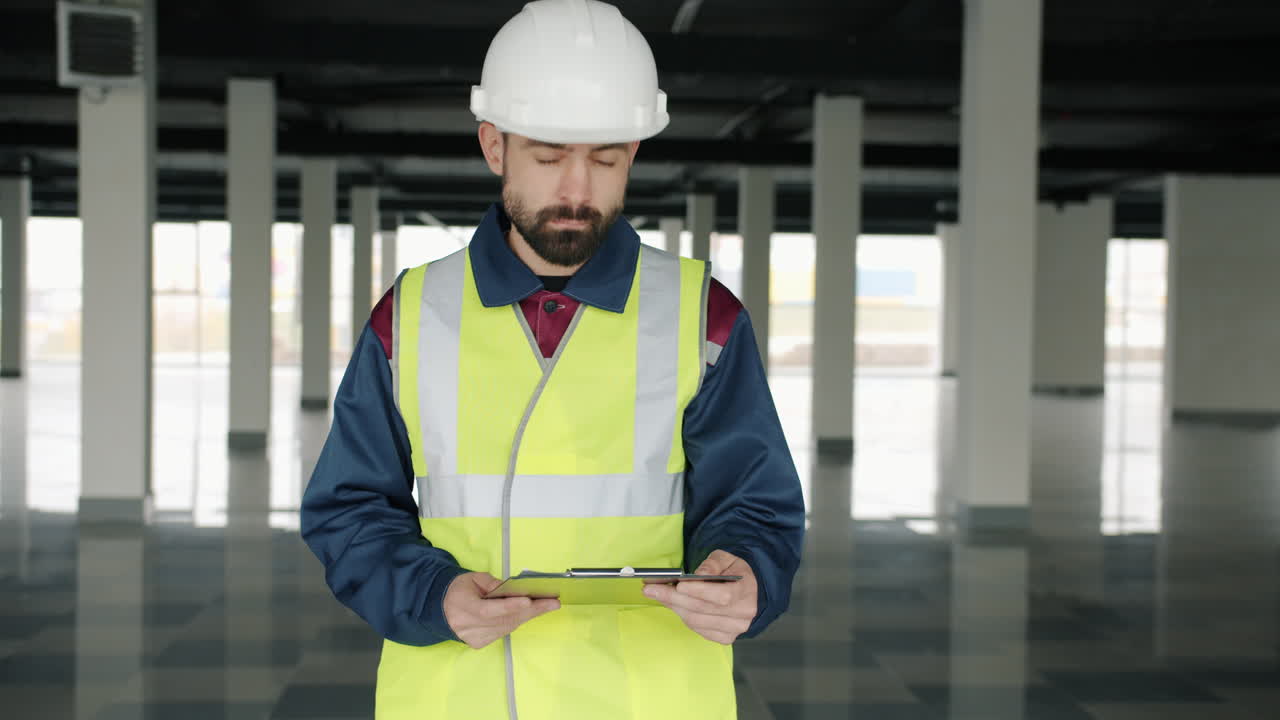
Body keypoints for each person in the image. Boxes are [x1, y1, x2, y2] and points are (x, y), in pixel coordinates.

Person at [300, 1, 805, 718]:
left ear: (633, 153)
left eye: (605, 159)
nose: (577, 191)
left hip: (649, 700)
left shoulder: (704, 318)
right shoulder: (411, 316)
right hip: (460, 700)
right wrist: (431, 593)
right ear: (494, 146)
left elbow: (755, 504)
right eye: (547, 158)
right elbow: (348, 508)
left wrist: (748, 571)